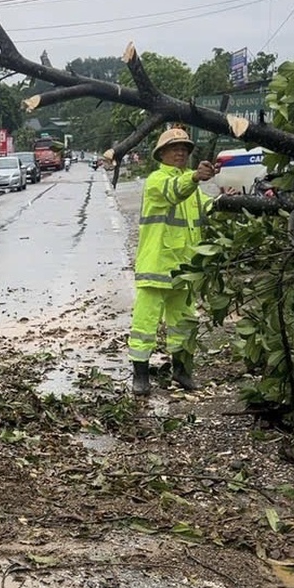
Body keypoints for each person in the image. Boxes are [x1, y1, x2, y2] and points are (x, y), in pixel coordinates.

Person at [128, 128, 216, 396]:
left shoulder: (192, 187)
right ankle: (140, 376)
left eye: (184, 149)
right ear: (162, 154)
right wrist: (195, 177)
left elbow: (207, 208)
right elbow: (174, 191)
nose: (180, 152)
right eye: (174, 148)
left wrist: (226, 201)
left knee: (184, 323)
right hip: (156, 266)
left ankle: (182, 371)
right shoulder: (157, 181)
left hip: (184, 269)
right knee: (145, 324)